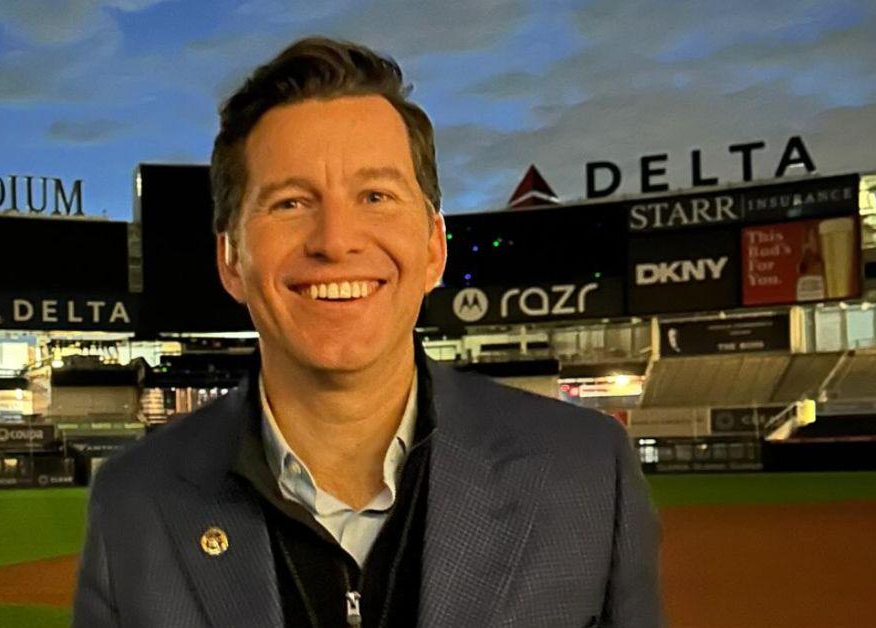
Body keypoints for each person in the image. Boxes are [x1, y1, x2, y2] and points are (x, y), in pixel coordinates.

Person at [74, 37, 662, 627]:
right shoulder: (133, 502)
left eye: (375, 196)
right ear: (231, 260)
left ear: (434, 246)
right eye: (289, 203)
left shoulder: (586, 471)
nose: (335, 241)